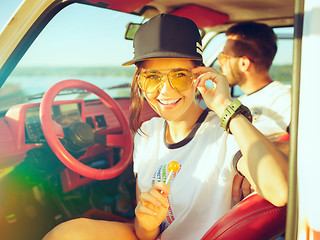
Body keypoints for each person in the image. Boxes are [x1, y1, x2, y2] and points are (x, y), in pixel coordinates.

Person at [43, 14, 288, 240]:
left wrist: (225, 107)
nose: (165, 90)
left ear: (199, 76)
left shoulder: (223, 134)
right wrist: (148, 224)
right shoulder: (147, 133)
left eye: (179, 75)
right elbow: (145, 232)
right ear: (139, 81)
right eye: (152, 77)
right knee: (65, 233)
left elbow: (280, 191)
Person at [218, 21, 291, 141]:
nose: (219, 63)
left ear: (244, 63)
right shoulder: (239, 101)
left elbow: (303, 140)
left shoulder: (281, 98)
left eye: (224, 57)